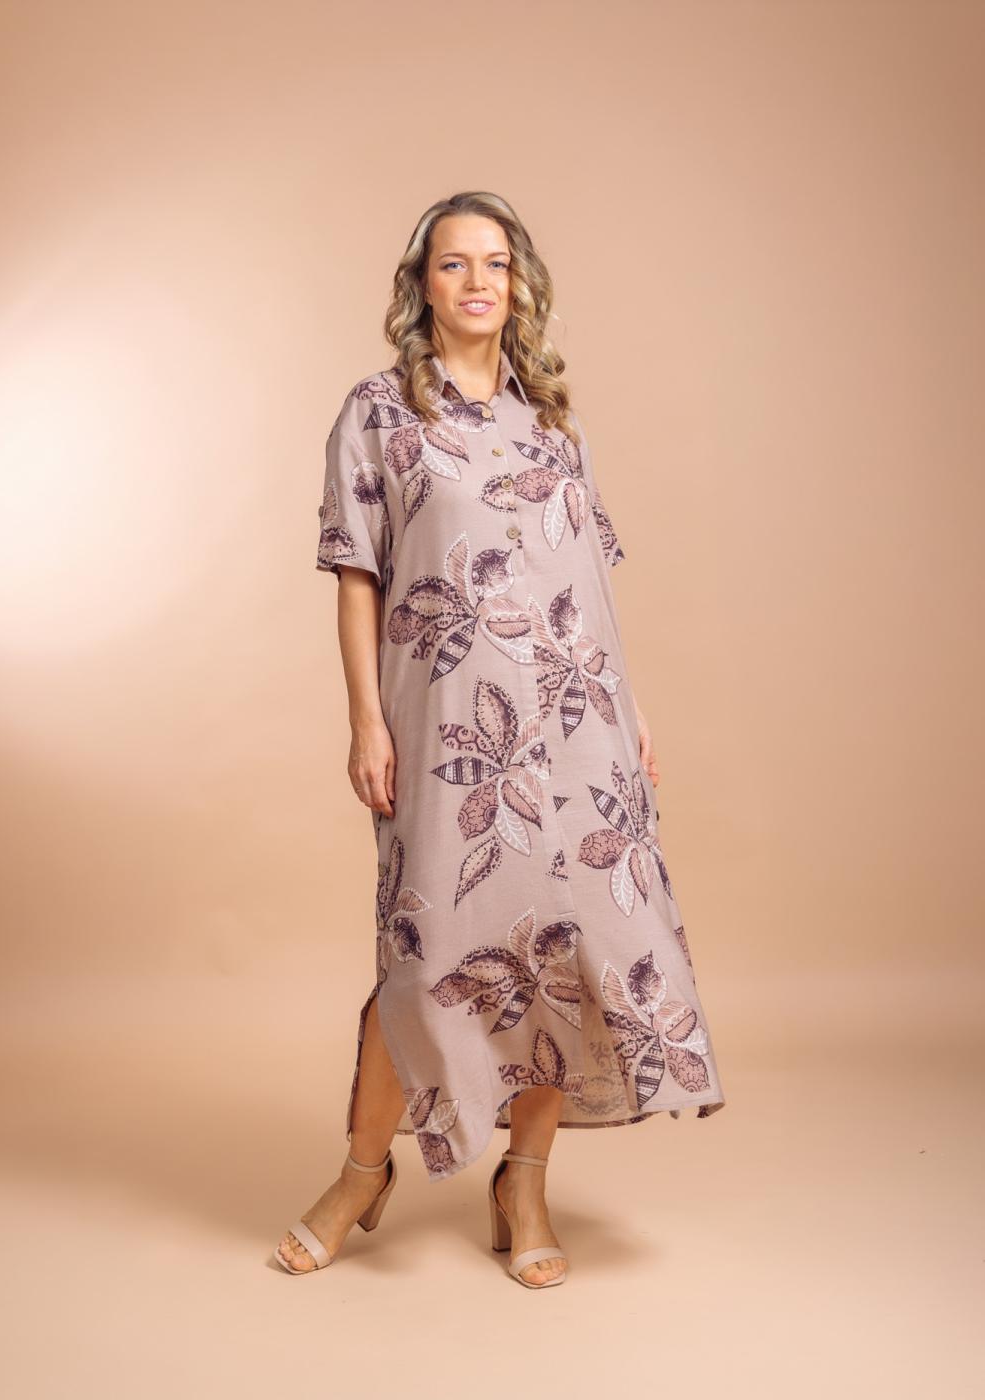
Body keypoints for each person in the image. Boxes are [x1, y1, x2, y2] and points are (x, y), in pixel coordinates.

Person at [274, 191, 726, 1288]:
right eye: (453, 264)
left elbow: (585, 585)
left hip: (577, 729)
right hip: (450, 738)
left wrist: (632, 712)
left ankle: (522, 1181)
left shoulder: (552, 421)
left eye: (495, 264)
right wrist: (364, 718)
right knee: (421, 956)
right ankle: (361, 1172)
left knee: (560, 956)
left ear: (517, 285)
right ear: (421, 285)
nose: (477, 282)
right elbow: (356, 573)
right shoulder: (378, 411)